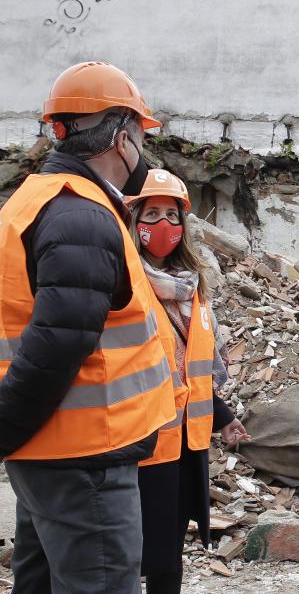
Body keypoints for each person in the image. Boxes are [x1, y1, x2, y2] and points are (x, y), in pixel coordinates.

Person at [0, 61, 177, 593]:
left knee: (40, 581)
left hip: (50, 452)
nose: (142, 148)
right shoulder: (79, 215)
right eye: (140, 135)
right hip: (83, 460)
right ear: (121, 135)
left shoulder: (38, 201)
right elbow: (56, 346)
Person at [124, 169, 251, 594]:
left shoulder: (190, 290)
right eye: (153, 213)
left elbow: (190, 368)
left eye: (172, 215)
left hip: (182, 444)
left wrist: (224, 416)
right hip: (135, 443)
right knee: (124, 555)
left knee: (167, 556)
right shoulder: (123, 281)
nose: (164, 225)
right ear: (135, 221)